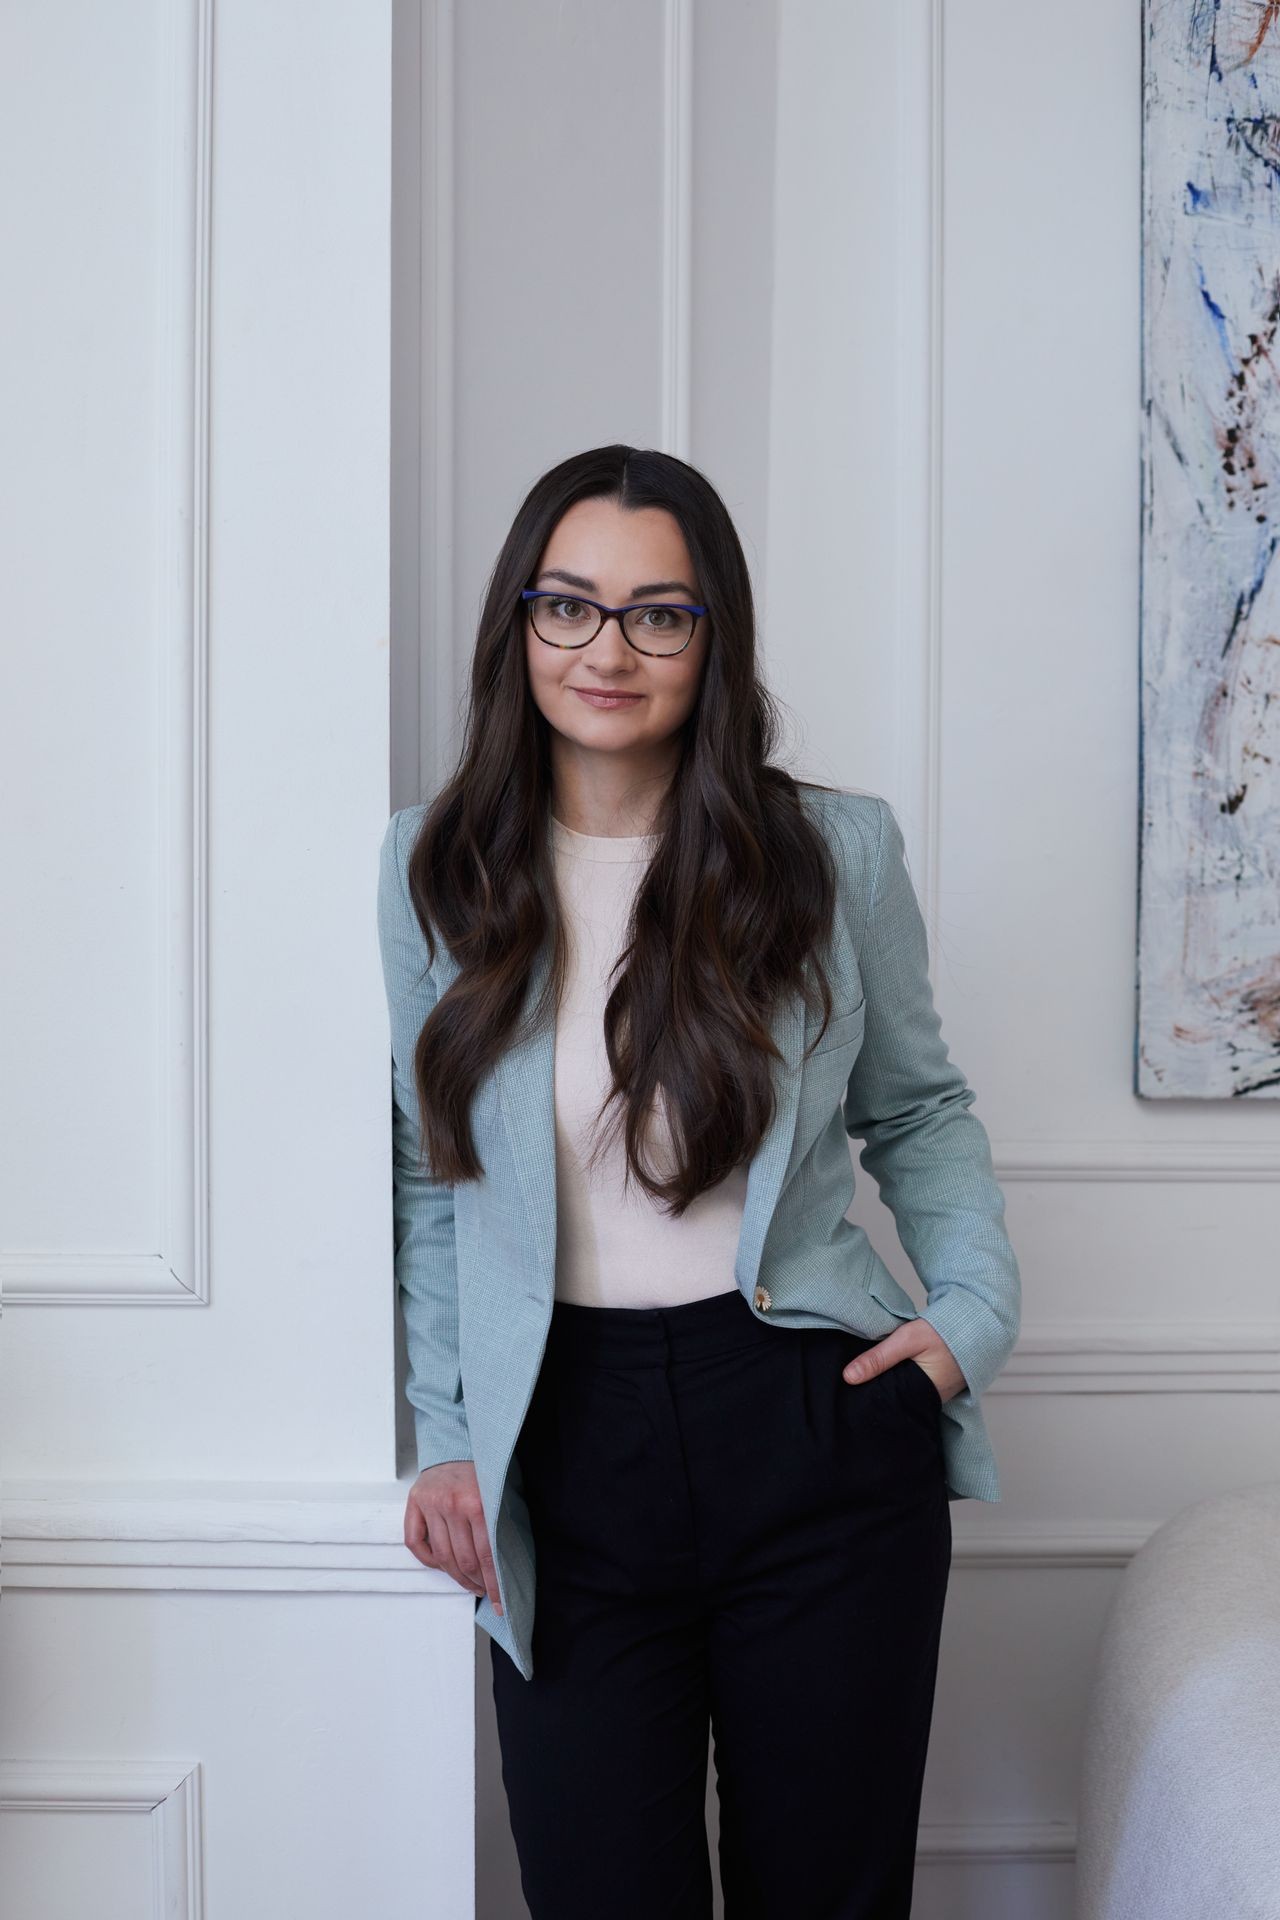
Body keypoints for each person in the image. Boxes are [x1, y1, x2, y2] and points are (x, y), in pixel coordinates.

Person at [376, 443, 1021, 1918]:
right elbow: (433, 1172)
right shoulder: (434, 868)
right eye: (570, 606)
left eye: (659, 613)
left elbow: (918, 1110)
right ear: (517, 625)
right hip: (565, 1442)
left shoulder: (826, 855)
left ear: (712, 638)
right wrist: (452, 1434)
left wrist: (970, 1317)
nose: (609, 649)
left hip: (811, 1420)